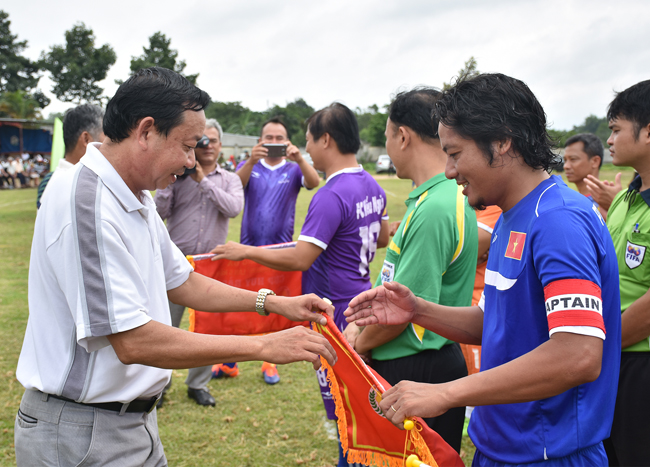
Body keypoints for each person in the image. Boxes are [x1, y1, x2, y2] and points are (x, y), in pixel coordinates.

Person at [13, 67, 336, 467]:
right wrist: (263, 346)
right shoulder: (89, 201)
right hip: (83, 431)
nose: (189, 161)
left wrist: (273, 303)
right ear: (146, 131)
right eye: (186, 146)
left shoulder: (134, 192)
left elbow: (181, 280)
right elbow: (134, 341)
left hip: (128, 422)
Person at [345, 73, 621, 466]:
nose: (449, 171)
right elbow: (494, 321)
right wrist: (418, 310)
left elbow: (578, 353)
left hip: (549, 454)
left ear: (502, 141)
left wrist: (447, 392)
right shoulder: (512, 215)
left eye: (455, 153)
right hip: (502, 447)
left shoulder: (558, 221)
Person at [213, 102, 389, 466]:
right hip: (364, 302)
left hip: (337, 313)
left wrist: (245, 251)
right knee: (359, 403)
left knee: (346, 413)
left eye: (308, 140)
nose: (306, 148)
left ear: (325, 139)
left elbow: (300, 258)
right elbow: (383, 237)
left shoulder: (330, 193)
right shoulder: (371, 184)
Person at [342, 88, 477, 452]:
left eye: (386, 136)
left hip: (414, 366)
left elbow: (403, 312)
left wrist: (356, 343)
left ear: (402, 135)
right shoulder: (438, 197)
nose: (387, 147)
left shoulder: (435, 208)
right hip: (422, 361)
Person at [219, 117, 321, 384]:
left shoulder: (293, 168)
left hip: (280, 252)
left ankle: (270, 362)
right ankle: (230, 361)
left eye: (280, 138)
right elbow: (235, 187)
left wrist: (300, 159)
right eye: (269, 138)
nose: (274, 143)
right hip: (247, 249)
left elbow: (314, 182)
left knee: (274, 307)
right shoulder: (249, 165)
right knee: (241, 305)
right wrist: (250, 161)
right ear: (260, 141)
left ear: (287, 142)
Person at [154, 118, 244, 406]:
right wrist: (171, 181)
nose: (207, 145)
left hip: (211, 264)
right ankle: (158, 386)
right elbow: (159, 212)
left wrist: (202, 181)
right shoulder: (177, 175)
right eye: (201, 139)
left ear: (220, 146)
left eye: (213, 140)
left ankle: (198, 384)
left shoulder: (229, 179)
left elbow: (233, 208)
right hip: (175, 260)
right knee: (164, 327)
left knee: (207, 329)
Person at [600, 79, 650, 466]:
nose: (610, 140)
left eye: (617, 129)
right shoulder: (625, 198)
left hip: (638, 361)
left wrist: (600, 347)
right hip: (613, 354)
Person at [37, 104, 105, 209]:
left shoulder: (53, 181)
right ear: (86, 139)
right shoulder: (79, 187)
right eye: (107, 136)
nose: (110, 144)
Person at [562, 133, 612, 219]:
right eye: (565, 160)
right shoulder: (571, 200)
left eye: (573, 159)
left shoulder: (604, 203)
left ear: (595, 161)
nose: (566, 166)